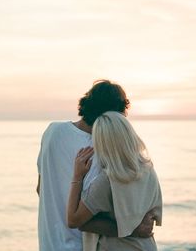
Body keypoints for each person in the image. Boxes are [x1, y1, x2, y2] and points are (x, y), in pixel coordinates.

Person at [37, 80, 155, 251]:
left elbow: (41, 189)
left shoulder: (52, 132)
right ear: (116, 115)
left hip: (48, 243)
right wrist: (133, 230)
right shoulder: (104, 151)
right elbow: (88, 219)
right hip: (83, 247)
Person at [67, 111, 162, 251]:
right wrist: (133, 228)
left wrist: (77, 176)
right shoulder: (148, 171)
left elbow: (74, 220)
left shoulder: (108, 181)